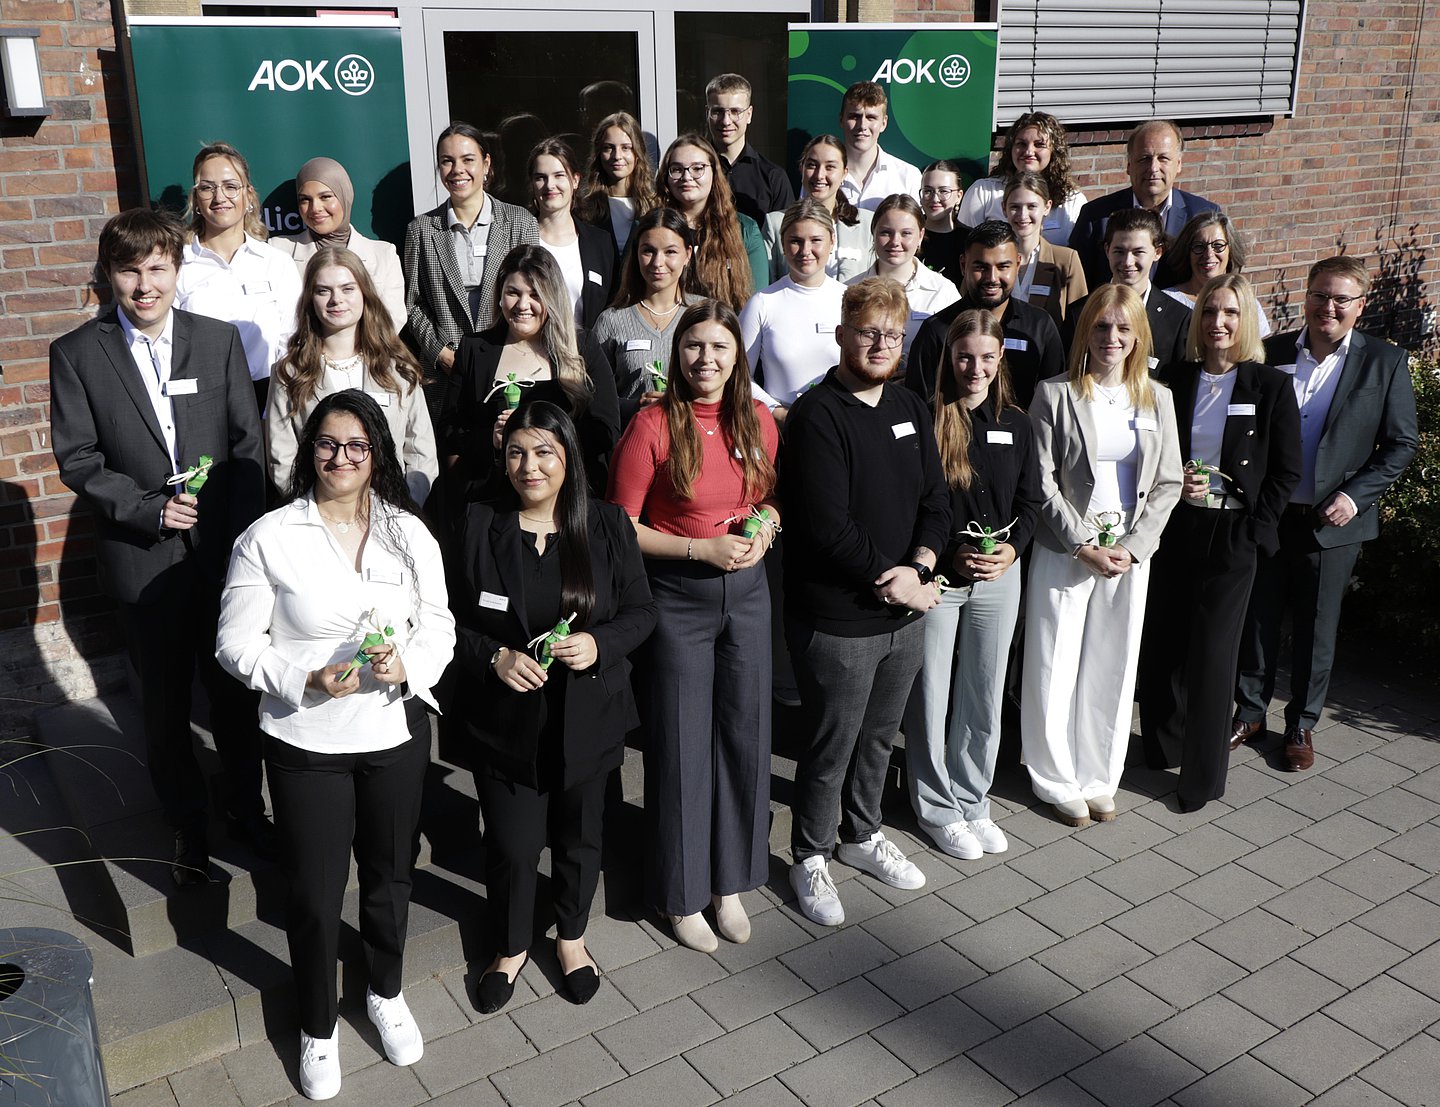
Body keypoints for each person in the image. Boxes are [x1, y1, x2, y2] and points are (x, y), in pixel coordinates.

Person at [216, 391, 455, 1100]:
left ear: (376, 452)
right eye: (326, 443)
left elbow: (440, 621)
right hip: (305, 739)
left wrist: (409, 665)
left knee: (390, 875)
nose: (340, 457)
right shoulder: (269, 537)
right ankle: (317, 1026)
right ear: (307, 450)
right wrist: (302, 676)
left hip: (393, 733)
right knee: (317, 894)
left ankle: (384, 989)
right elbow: (234, 642)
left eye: (356, 444)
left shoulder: (408, 533)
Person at [50, 208, 271, 888]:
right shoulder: (78, 354)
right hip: (142, 560)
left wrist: (241, 544)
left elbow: (246, 445)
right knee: (167, 706)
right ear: (109, 275)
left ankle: (246, 807)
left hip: (222, 554)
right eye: (129, 270)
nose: (144, 285)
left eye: (156, 268)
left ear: (177, 270)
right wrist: (150, 509)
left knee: (235, 695)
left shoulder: (217, 341)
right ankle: (188, 826)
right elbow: (79, 459)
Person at [453, 402, 656, 1012]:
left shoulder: (608, 525)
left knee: (579, 837)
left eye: (544, 452)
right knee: (513, 846)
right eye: (516, 452)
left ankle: (571, 938)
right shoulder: (476, 523)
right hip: (506, 721)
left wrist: (599, 643)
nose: (529, 466)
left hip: (588, 716)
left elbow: (642, 613)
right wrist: (492, 657)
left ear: (568, 456)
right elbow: (441, 620)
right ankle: (511, 947)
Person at [608, 300, 781, 951]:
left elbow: (764, 499)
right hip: (679, 595)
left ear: (737, 357)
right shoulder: (652, 423)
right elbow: (619, 524)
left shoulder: (757, 417)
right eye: (693, 347)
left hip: (749, 595)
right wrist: (696, 550)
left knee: (743, 735)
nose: (705, 360)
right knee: (681, 744)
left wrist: (763, 527)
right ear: (676, 354)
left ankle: (727, 882)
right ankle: (680, 894)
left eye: (719, 348)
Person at [781, 278, 950, 926]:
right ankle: (809, 853)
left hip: (902, 612)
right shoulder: (818, 414)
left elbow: (936, 501)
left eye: (892, 333)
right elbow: (826, 526)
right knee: (832, 743)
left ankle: (861, 831)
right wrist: (899, 576)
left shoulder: (910, 404)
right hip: (839, 620)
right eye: (868, 331)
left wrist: (922, 565)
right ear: (845, 335)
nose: (880, 342)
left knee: (880, 737)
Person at [1231, 256, 1418, 769]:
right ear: (1305, 297)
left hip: (1331, 519)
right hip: (1270, 513)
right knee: (1258, 616)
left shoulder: (1385, 362)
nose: (1327, 307)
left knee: (1317, 625)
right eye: (1319, 295)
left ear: (1360, 306)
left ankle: (1301, 724)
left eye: (1340, 299)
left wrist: (1355, 495)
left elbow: (1401, 444)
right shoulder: (1268, 353)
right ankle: (1249, 713)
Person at [1139, 275, 1301, 811]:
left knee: (1212, 657)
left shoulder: (1269, 386)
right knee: (1164, 644)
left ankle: (1202, 780)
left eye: (1230, 313)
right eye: (1210, 312)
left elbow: (1286, 473)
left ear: (1244, 320)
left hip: (1234, 536)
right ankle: (1163, 747)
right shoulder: (1174, 380)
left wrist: (1254, 530)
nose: (1219, 323)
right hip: (1177, 527)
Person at [1023, 284, 1182, 826]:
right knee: (1054, 661)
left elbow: (1168, 482)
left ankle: (1099, 775)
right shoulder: (1055, 394)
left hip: (1128, 553)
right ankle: (1054, 777)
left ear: (1137, 334)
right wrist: (1080, 543)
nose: (1111, 337)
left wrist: (1134, 550)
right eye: (1100, 327)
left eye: (1122, 328)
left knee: (1112, 666)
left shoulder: (1157, 397)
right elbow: (1040, 481)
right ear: (1085, 331)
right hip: (1068, 547)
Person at [906, 309, 1041, 860]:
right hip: (941, 575)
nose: (975, 367)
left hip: (998, 577)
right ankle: (936, 807)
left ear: (1000, 358)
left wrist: (1012, 549)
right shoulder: (928, 418)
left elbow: (1031, 502)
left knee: (983, 692)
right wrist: (943, 555)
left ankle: (972, 797)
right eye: (965, 356)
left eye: (987, 356)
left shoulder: (1018, 422)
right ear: (949, 358)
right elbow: (917, 503)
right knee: (933, 695)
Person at [447, 245, 620, 500]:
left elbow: (607, 432)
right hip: (492, 499)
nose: (523, 305)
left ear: (552, 297)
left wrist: (546, 435)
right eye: (513, 293)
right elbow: (449, 431)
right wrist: (491, 439)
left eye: (535, 295)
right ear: (499, 295)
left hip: (567, 498)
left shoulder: (582, 347)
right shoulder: (474, 349)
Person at [267, 248, 438, 504]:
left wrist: (404, 507)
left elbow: (421, 450)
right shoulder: (289, 373)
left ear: (364, 294)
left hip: (393, 511)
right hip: (318, 516)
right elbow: (282, 459)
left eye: (348, 289)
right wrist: (317, 513)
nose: (336, 300)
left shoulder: (400, 368)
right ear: (310, 300)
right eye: (323, 290)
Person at [402, 122, 540, 424]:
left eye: (467, 160)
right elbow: (412, 304)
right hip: (446, 373)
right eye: (447, 161)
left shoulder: (521, 222)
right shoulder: (421, 231)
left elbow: (535, 296)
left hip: (510, 364)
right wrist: (440, 353)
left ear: (486, 163)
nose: (457, 170)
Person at [175, 141, 303, 410]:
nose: (219, 197)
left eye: (231, 186)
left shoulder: (276, 263)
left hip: (269, 401)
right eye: (207, 187)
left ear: (249, 196)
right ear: (196, 199)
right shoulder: (178, 266)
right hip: (201, 402)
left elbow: (292, 342)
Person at [908, 221, 1066, 409]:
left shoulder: (1040, 326)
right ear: (963, 265)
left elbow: (1055, 399)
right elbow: (919, 405)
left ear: (1018, 264)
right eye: (981, 267)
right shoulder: (937, 330)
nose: (992, 278)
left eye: (1003, 267)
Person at [1068, 119, 1220, 290]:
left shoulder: (1202, 215)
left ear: (1178, 164)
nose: (1153, 168)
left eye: (1163, 158)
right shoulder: (1095, 216)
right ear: (1129, 165)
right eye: (1144, 158)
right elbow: (1078, 286)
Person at [591, 207, 702, 422]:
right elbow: (591, 394)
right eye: (648, 251)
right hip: (633, 440)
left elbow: (731, 385)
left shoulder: (705, 314)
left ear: (687, 254)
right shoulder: (612, 321)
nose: (657, 263)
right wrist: (634, 406)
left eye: (670, 252)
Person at [742, 199, 847, 421]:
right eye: (796, 241)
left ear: (832, 241)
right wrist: (778, 413)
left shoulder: (849, 300)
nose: (805, 251)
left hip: (841, 423)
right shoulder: (762, 302)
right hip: (781, 429)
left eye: (815, 240)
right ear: (782, 243)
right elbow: (739, 376)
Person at [273, 156, 406, 331]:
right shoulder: (278, 250)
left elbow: (391, 322)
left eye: (326, 197)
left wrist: (344, 353)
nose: (316, 208)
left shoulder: (384, 254)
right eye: (305, 199)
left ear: (345, 195)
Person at [1064, 209, 1191, 373]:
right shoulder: (1080, 313)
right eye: (1119, 251)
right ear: (1107, 250)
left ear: (1157, 252)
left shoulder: (1178, 319)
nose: (1127, 262)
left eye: (1138, 252)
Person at [846, 194, 960, 362]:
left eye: (906, 233)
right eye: (886, 232)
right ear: (873, 233)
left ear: (920, 235)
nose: (895, 242)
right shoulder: (850, 289)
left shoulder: (943, 292)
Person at [660, 133, 767, 310]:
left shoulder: (744, 229)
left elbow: (756, 304)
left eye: (697, 168)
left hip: (724, 333)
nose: (687, 177)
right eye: (677, 169)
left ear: (714, 172)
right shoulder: (650, 229)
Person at [958, 111, 1088, 245]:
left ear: (1054, 151)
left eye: (1039, 144)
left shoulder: (1073, 200)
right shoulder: (983, 192)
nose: (1028, 152)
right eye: (1021, 144)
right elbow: (964, 247)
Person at [760, 135, 875, 283]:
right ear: (801, 169)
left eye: (830, 167)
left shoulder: (867, 223)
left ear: (844, 173)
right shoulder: (776, 223)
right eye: (812, 165)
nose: (819, 175)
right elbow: (767, 283)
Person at [528, 138, 616, 329]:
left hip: (585, 353)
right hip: (531, 353)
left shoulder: (600, 242)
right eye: (540, 177)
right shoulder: (520, 239)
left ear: (575, 180)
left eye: (559, 175)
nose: (549, 185)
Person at [1162, 211, 1272, 337]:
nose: (1208, 254)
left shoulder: (1245, 301)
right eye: (1199, 246)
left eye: (1218, 246)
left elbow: (1263, 350)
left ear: (1230, 251)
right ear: (1187, 252)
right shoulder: (1167, 302)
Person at [705, 72, 794, 226]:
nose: (726, 121)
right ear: (708, 113)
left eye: (735, 111)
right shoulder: (691, 173)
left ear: (749, 114)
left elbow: (785, 238)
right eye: (718, 111)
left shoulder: (773, 177)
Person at [1002, 172, 1087, 328]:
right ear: (1004, 208)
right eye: (1015, 207)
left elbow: (1080, 322)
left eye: (1031, 206)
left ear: (1047, 207)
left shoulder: (1066, 261)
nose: (1023, 215)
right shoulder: (989, 259)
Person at [575, 112, 660, 266]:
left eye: (626, 148)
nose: (617, 156)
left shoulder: (656, 206)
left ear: (637, 152)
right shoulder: (584, 208)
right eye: (608, 148)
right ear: (599, 154)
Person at [836, 81, 922, 213]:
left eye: (871, 117)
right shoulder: (821, 176)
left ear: (883, 123)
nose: (862, 126)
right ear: (841, 120)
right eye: (854, 116)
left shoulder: (908, 176)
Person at [916, 160, 972, 286]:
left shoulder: (970, 240)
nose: (935, 199)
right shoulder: (909, 235)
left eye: (944, 191)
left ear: (959, 196)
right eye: (928, 191)